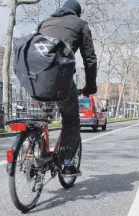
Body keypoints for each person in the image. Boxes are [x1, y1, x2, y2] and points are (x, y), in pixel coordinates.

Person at [39, 0, 98, 177]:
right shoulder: (80, 24)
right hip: (60, 81)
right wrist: (90, 86)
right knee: (71, 120)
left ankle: (31, 147)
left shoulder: (45, 22)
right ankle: (66, 163)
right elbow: (90, 59)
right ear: (76, 13)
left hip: (34, 78)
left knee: (40, 119)